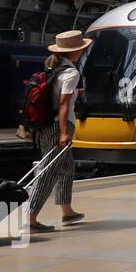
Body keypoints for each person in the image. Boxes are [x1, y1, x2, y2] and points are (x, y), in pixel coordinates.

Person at [27, 30, 90, 233]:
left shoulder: (52, 68)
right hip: (58, 126)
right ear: (77, 52)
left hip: (45, 125)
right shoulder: (72, 72)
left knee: (67, 168)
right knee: (48, 171)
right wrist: (64, 132)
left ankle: (67, 211)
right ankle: (31, 218)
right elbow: (63, 104)